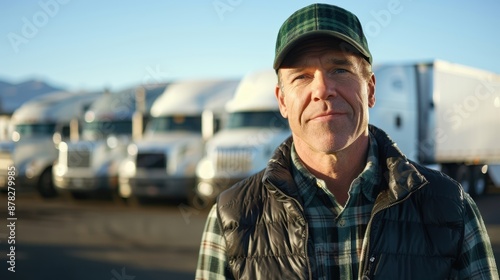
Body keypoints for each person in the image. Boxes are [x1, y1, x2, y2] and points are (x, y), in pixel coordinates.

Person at [195, 3, 499, 279]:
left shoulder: (451, 208)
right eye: (301, 76)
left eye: (339, 69)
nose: (323, 89)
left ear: (370, 89)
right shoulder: (230, 220)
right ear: (282, 101)